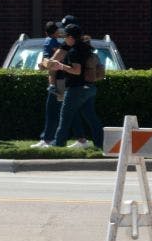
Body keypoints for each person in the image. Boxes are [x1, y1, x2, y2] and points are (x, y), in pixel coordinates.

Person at [47, 23, 104, 150]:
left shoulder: (73, 51)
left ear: (71, 37)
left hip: (76, 89)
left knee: (65, 118)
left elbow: (76, 70)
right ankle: (100, 144)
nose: (64, 39)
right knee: (91, 118)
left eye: (65, 36)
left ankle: (58, 144)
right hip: (90, 88)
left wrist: (60, 66)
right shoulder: (86, 48)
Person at [30, 20, 65, 148]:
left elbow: (48, 62)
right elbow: (53, 60)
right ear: (56, 31)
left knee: (53, 110)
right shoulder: (55, 43)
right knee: (57, 110)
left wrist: (43, 64)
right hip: (59, 80)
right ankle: (49, 138)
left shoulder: (47, 41)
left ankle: (48, 138)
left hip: (56, 81)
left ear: (46, 32)